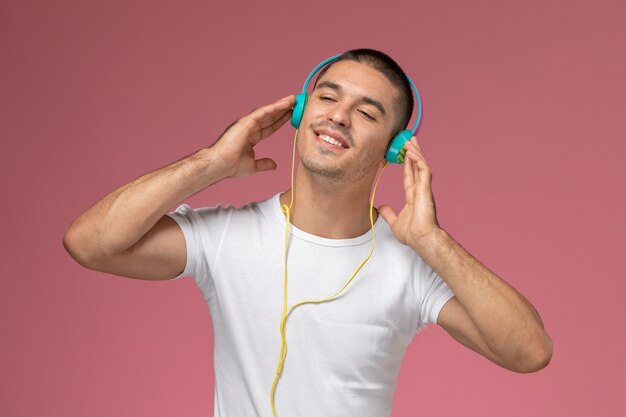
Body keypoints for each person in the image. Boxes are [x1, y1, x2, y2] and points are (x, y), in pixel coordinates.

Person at [63, 48, 553, 417]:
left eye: (366, 112)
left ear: (397, 147)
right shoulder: (227, 237)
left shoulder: (411, 267)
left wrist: (433, 242)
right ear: (299, 115)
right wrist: (211, 163)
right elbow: (89, 244)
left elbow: (529, 352)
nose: (338, 115)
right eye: (327, 96)